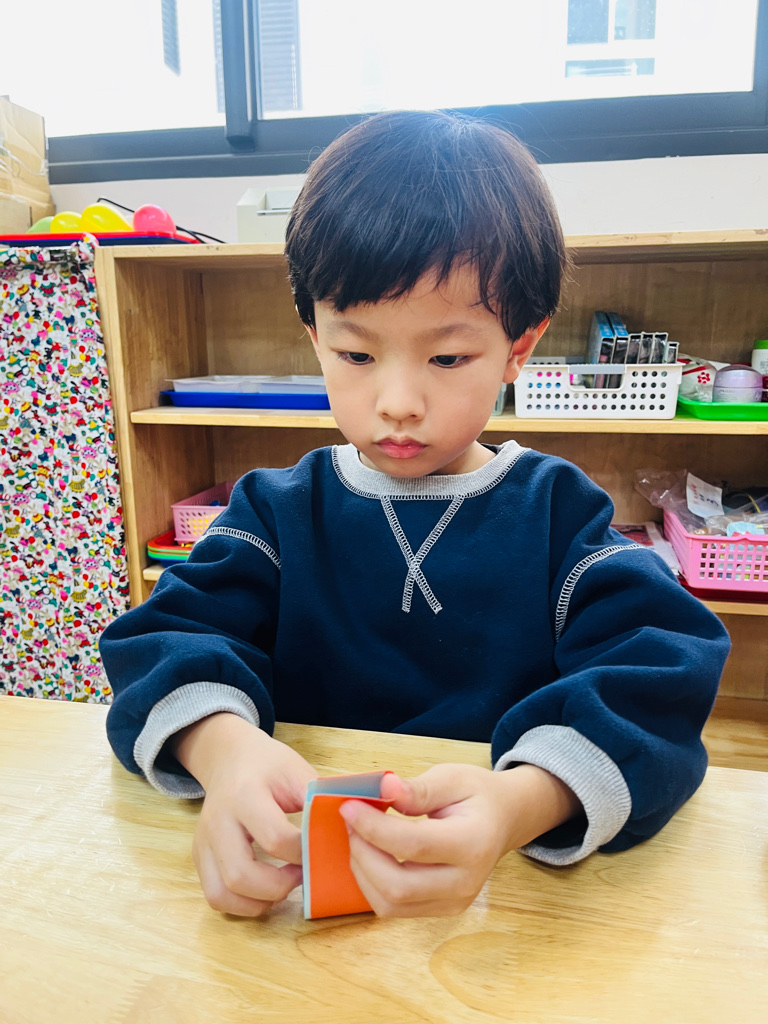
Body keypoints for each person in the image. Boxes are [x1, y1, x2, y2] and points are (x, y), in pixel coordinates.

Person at [100, 109, 730, 920]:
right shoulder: (275, 512)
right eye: (357, 354)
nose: (397, 401)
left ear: (520, 347)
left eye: (448, 357)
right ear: (314, 336)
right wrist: (224, 754)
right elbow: (165, 642)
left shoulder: (555, 513)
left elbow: (661, 674)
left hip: (502, 903)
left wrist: (522, 803)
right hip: (297, 887)